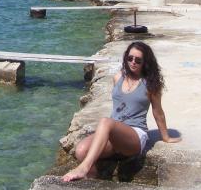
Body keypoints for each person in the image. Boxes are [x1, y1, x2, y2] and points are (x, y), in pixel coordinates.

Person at [62, 41, 180, 182]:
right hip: (114, 134)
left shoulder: (150, 84)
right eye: (130, 58)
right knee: (81, 150)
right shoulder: (118, 77)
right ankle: (93, 180)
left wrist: (165, 137)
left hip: (134, 135)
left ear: (145, 62)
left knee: (106, 122)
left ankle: (83, 168)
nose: (133, 62)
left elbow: (157, 111)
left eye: (138, 60)